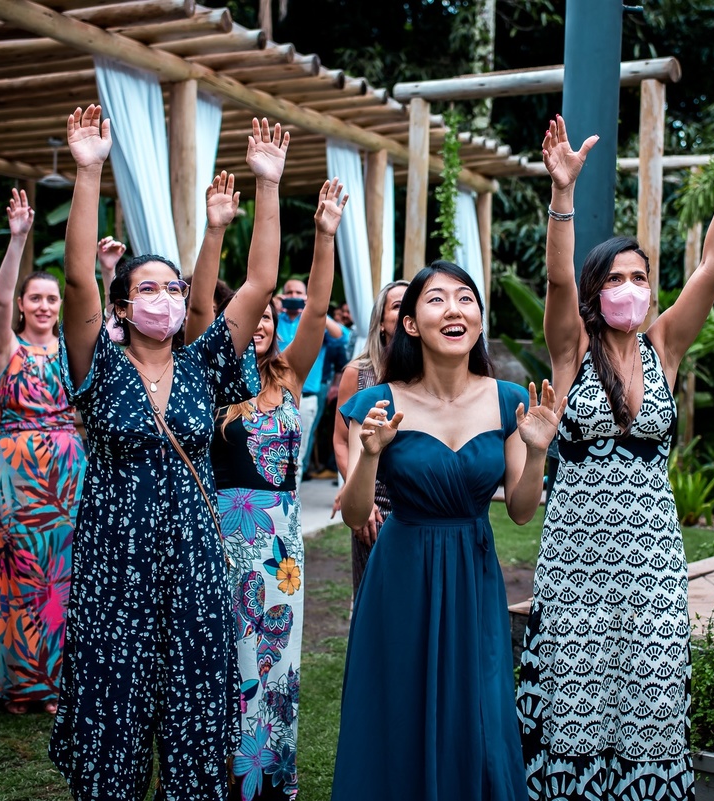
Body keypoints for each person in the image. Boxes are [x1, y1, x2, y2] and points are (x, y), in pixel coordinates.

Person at [517, 111, 714, 801]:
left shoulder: (664, 347)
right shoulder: (572, 351)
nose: (630, 286)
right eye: (616, 278)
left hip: (653, 567)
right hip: (575, 569)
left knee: (651, 711)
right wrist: (564, 197)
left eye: (640, 275)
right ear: (598, 293)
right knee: (575, 716)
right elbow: (555, 283)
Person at [47, 105, 285, 801]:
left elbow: (260, 284)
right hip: (115, 559)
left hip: (193, 556)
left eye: (173, 287)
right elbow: (78, 282)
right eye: (146, 287)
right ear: (121, 307)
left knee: (194, 701)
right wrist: (89, 169)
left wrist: (267, 185)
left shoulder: (205, 365)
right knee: (113, 700)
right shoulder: (101, 365)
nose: (163, 297)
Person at [333, 261, 563, 801]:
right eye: (436, 300)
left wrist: (537, 451)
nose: (454, 309)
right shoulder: (376, 401)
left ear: (479, 319)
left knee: (478, 706)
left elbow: (523, 509)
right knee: (400, 708)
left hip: (473, 573)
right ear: (410, 324)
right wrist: (367, 458)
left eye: (466, 298)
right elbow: (354, 512)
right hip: (402, 573)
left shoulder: (509, 400)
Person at [202, 179, 347, 801]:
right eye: (250, 315)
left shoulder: (289, 375)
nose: (259, 323)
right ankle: (224, 773)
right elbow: (205, 308)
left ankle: (272, 779)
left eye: (267, 315)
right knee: (225, 660)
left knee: (278, 660)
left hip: (281, 540)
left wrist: (325, 235)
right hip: (221, 532)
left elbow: (316, 308)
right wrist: (217, 230)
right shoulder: (207, 377)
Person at [0, 189, 86, 717]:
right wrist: (17, 239)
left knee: (59, 577)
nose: (45, 306)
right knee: (12, 571)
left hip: (66, 472)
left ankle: (49, 686)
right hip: (14, 473)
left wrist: (103, 271)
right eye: (38, 299)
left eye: (53, 300)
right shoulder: (6, 349)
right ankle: (8, 685)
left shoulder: (74, 352)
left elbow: (97, 322)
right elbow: (1, 302)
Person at [331, 279, 408, 597]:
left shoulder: (434, 375)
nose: (406, 311)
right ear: (380, 323)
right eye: (397, 305)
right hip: (373, 505)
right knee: (372, 598)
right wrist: (359, 500)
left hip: (419, 503)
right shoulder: (358, 374)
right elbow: (339, 441)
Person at [275, 277, 346, 479]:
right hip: (273, 393)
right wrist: (272, 303)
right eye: (289, 293)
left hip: (305, 397)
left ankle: (292, 507)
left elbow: (342, 336)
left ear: (306, 296)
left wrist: (313, 309)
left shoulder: (314, 321)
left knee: (297, 456)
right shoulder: (274, 318)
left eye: (299, 293)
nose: (294, 297)